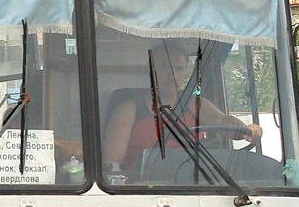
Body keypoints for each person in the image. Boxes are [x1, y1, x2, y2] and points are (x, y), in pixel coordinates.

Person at [103, 42, 262, 180]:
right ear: (152, 70)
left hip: (190, 186)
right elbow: (112, 166)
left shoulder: (195, 104)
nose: (172, 75)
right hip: (143, 189)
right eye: (165, 67)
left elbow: (222, 121)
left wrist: (246, 130)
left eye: (179, 69)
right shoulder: (128, 110)